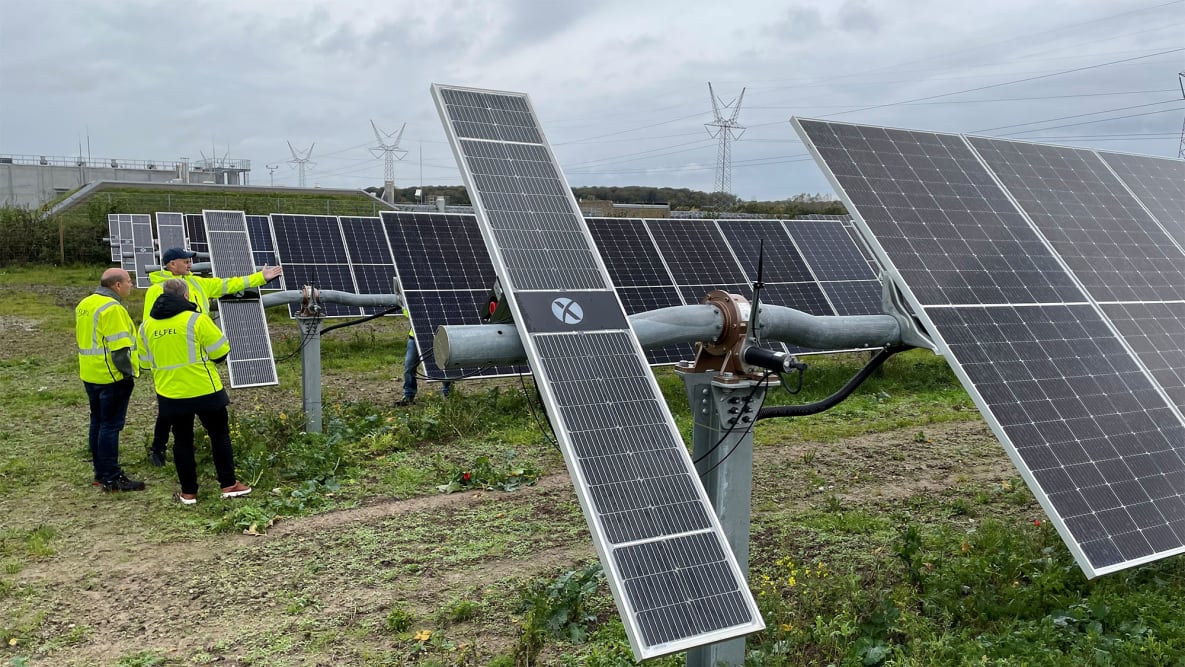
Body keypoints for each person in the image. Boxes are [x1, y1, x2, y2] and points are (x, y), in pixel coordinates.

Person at [142, 247, 282, 466]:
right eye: (185, 261)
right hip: (171, 358)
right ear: (171, 265)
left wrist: (260, 278)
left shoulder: (198, 283)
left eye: (190, 261)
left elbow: (227, 284)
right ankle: (157, 449)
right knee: (168, 409)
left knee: (185, 409)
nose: (190, 264)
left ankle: (177, 450)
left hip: (197, 357)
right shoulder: (156, 290)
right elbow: (150, 327)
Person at [139, 278, 252, 504]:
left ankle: (189, 492)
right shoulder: (197, 320)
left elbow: (143, 362)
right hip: (205, 389)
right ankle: (229, 485)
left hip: (171, 393)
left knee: (181, 441)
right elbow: (220, 352)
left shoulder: (146, 326)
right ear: (186, 296)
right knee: (219, 436)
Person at [75, 268, 145, 492]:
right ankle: (112, 478)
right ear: (116, 285)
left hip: (90, 374)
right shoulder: (112, 309)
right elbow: (119, 351)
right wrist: (128, 373)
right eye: (129, 281)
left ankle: (100, 473)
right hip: (111, 377)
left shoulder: (85, 303)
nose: (131, 285)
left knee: (97, 422)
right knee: (110, 426)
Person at [396, 307, 450, 406]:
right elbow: (408, 312)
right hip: (415, 337)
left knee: (444, 365)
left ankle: (448, 394)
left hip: (437, 335)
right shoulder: (413, 296)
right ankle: (408, 397)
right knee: (409, 366)